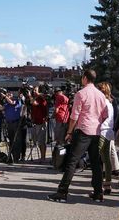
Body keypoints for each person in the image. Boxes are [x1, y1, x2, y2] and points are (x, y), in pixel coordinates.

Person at [47, 69, 108, 203]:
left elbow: (74, 116)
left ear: (85, 78)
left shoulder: (81, 94)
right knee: (96, 163)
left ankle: (62, 191)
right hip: (96, 131)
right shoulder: (101, 95)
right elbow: (105, 115)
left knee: (72, 161)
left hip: (83, 131)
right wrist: (96, 123)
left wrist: (69, 132)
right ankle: (98, 192)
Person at [96, 82, 115, 195]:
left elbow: (101, 118)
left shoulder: (103, 103)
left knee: (97, 158)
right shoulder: (109, 103)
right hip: (108, 132)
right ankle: (107, 183)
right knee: (106, 159)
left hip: (102, 131)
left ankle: (98, 185)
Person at [0, 92, 23, 163]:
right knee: (11, 141)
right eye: (7, 95)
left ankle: (17, 158)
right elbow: (1, 108)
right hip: (9, 124)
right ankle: (11, 157)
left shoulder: (16, 100)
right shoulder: (6, 104)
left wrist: (4, 96)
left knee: (16, 141)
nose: (8, 96)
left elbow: (12, 103)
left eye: (10, 95)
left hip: (16, 123)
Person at [31, 86, 48, 162]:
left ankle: (43, 157)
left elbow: (34, 103)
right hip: (36, 122)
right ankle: (42, 157)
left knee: (42, 141)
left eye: (35, 90)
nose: (34, 91)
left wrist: (30, 96)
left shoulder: (41, 98)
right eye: (33, 90)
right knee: (38, 141)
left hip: (42, 122)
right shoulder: (36, 98)